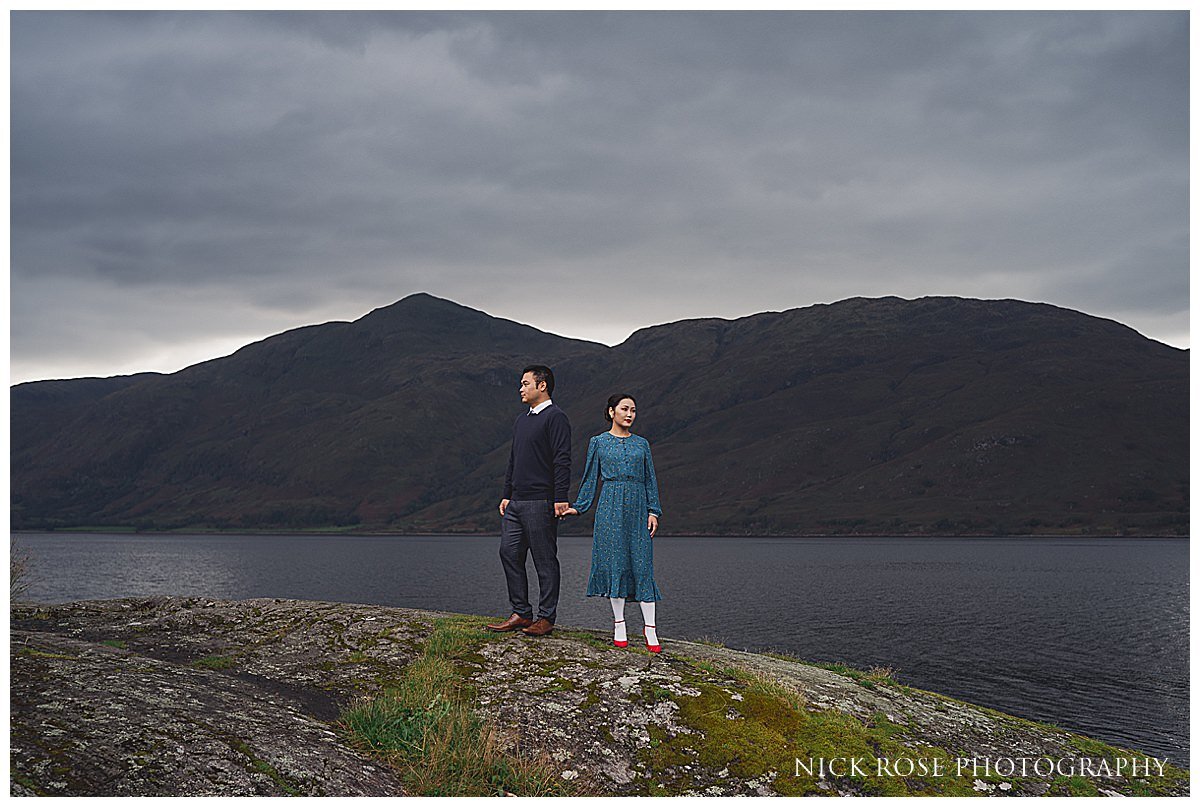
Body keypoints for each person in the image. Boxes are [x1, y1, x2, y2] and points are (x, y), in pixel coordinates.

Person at [564, 393, 664, 653]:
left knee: (642, 565)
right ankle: (619, 624)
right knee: (616, 562)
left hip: (638, 506)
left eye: (633, 410)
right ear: (611, 412)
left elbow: (650, 479)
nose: (630, 414)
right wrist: (579, 507)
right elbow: (589, 478)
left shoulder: (642, 444)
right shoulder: (598, 442)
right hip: (609, 507)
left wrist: (653, 511)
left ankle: (650, 628)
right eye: (624, 409)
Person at [486, 365, 572, 637]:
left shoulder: (556, 418)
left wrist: (560, 498)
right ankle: (521, 613)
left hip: (541, 501)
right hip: (516, 502)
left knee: (544, 559)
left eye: (525, 383)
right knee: (509, 552)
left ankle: (546, 617)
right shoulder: (522, 420)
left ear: (542, 385)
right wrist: (507, 493)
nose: (520, 388)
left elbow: (562, 459)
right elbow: (514, 458)